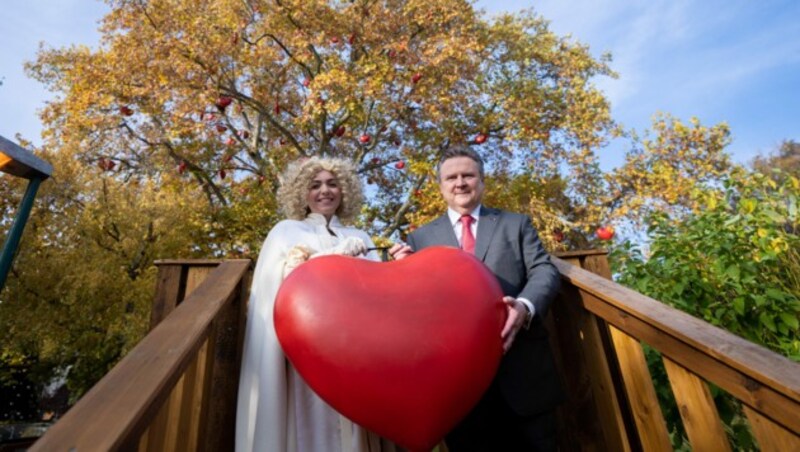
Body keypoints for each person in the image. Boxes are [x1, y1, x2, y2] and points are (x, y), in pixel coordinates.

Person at [390, 145, 564, 451]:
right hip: (460, 388)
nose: (460, 183)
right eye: (451, 177)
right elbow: (416, 308)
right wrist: (402, 274)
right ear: (441, 186)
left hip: (524, 377)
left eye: (468, 175)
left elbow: (544, 271)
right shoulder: (419, 239)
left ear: (481, 181)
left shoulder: (516, 224)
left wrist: (524, 307)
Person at [236, 156, 399, 452]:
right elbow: (284, 278)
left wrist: (398, 265)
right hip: (307, 345)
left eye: (332, 184)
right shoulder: (286, 231)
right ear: (302, 193)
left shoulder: (360, 236)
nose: (325, 191)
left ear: (344, 190)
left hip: (354, 349)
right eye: (315, 185)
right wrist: (338, 255)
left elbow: (380, 291)